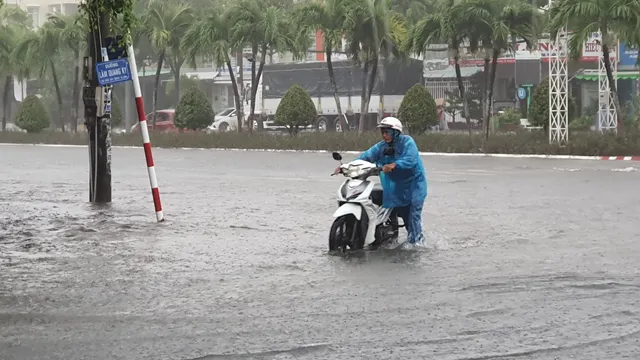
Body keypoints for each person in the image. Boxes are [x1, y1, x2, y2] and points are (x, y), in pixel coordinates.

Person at [336, 117, 427, 249]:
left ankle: (417, 246)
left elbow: (410, 159)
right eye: (383, 132)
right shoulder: (381, 147)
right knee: (401, 211)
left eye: (387, 132)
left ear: (396, 132)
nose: (384, 135)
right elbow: (365, 157)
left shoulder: (408, 142)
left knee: (412, 216)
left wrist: (394, 165)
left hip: (414, 186)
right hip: (396, 187)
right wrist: (346, 166)